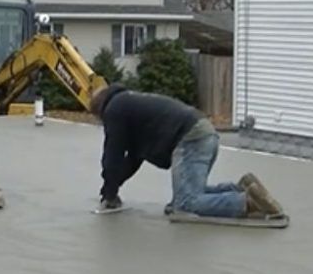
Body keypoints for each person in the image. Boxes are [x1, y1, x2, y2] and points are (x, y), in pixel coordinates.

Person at [91, 84, 284, 218]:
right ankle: (241, 187)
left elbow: (112, 156)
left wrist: (109, 193)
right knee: (190, 195)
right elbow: (132, 160)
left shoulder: (114, 109)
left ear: (100, 111)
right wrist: (112, 190)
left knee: (185, 204)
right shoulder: (128, 105)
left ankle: (247, 202)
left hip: (190, 138)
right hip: (203, 132)